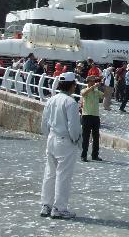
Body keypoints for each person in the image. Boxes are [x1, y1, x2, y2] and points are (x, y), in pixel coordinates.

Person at [40, 72, 82, 219]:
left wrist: (49, 135)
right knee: (63, 175)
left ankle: (46, 205)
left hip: (51, 138)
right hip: (65, 141)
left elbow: (44, 123)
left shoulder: (51, 100)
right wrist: (76, 140)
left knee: (50, 173)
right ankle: (59, 207)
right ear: (72, 85)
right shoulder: (71, 102)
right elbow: (74, 126)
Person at [80, 75, 104, 162]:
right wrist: (93, 87)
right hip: (86, 115)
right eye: (92, 81)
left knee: (96, 137)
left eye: (94, 81)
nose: (94, 82)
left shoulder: (96, 91)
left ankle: (95, 155)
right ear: (88, 82)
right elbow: (83, 94)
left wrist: (102, 86)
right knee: (85, 137)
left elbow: (103, 96)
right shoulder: (85, 89)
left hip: (95, 116)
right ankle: (84, 155)